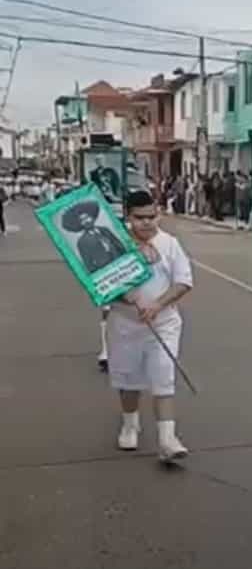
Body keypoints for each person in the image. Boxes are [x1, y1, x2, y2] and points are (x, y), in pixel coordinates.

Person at [106, 190, 193, 460]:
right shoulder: (113, 244)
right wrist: (121, 294)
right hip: (125, 324)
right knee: (128, 379)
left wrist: (158, 304)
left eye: (151, 216)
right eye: (139, 218)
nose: (147, 223)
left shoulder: (170, 244)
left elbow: (183, 282)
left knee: (163, 376)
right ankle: (130, 425)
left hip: (163, 324)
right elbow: (99, 284)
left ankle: (168, 439)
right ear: (128, 217)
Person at [61, 200, 127, 274]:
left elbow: (118, 244)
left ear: (92, 217)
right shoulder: (82, 242)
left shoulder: (104, 230)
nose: (86, 221)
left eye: (87, 217)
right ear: (80, 224)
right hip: (107, 271)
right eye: (82, 220)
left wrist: (126, 256)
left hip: (122, 263)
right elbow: (88, 263)